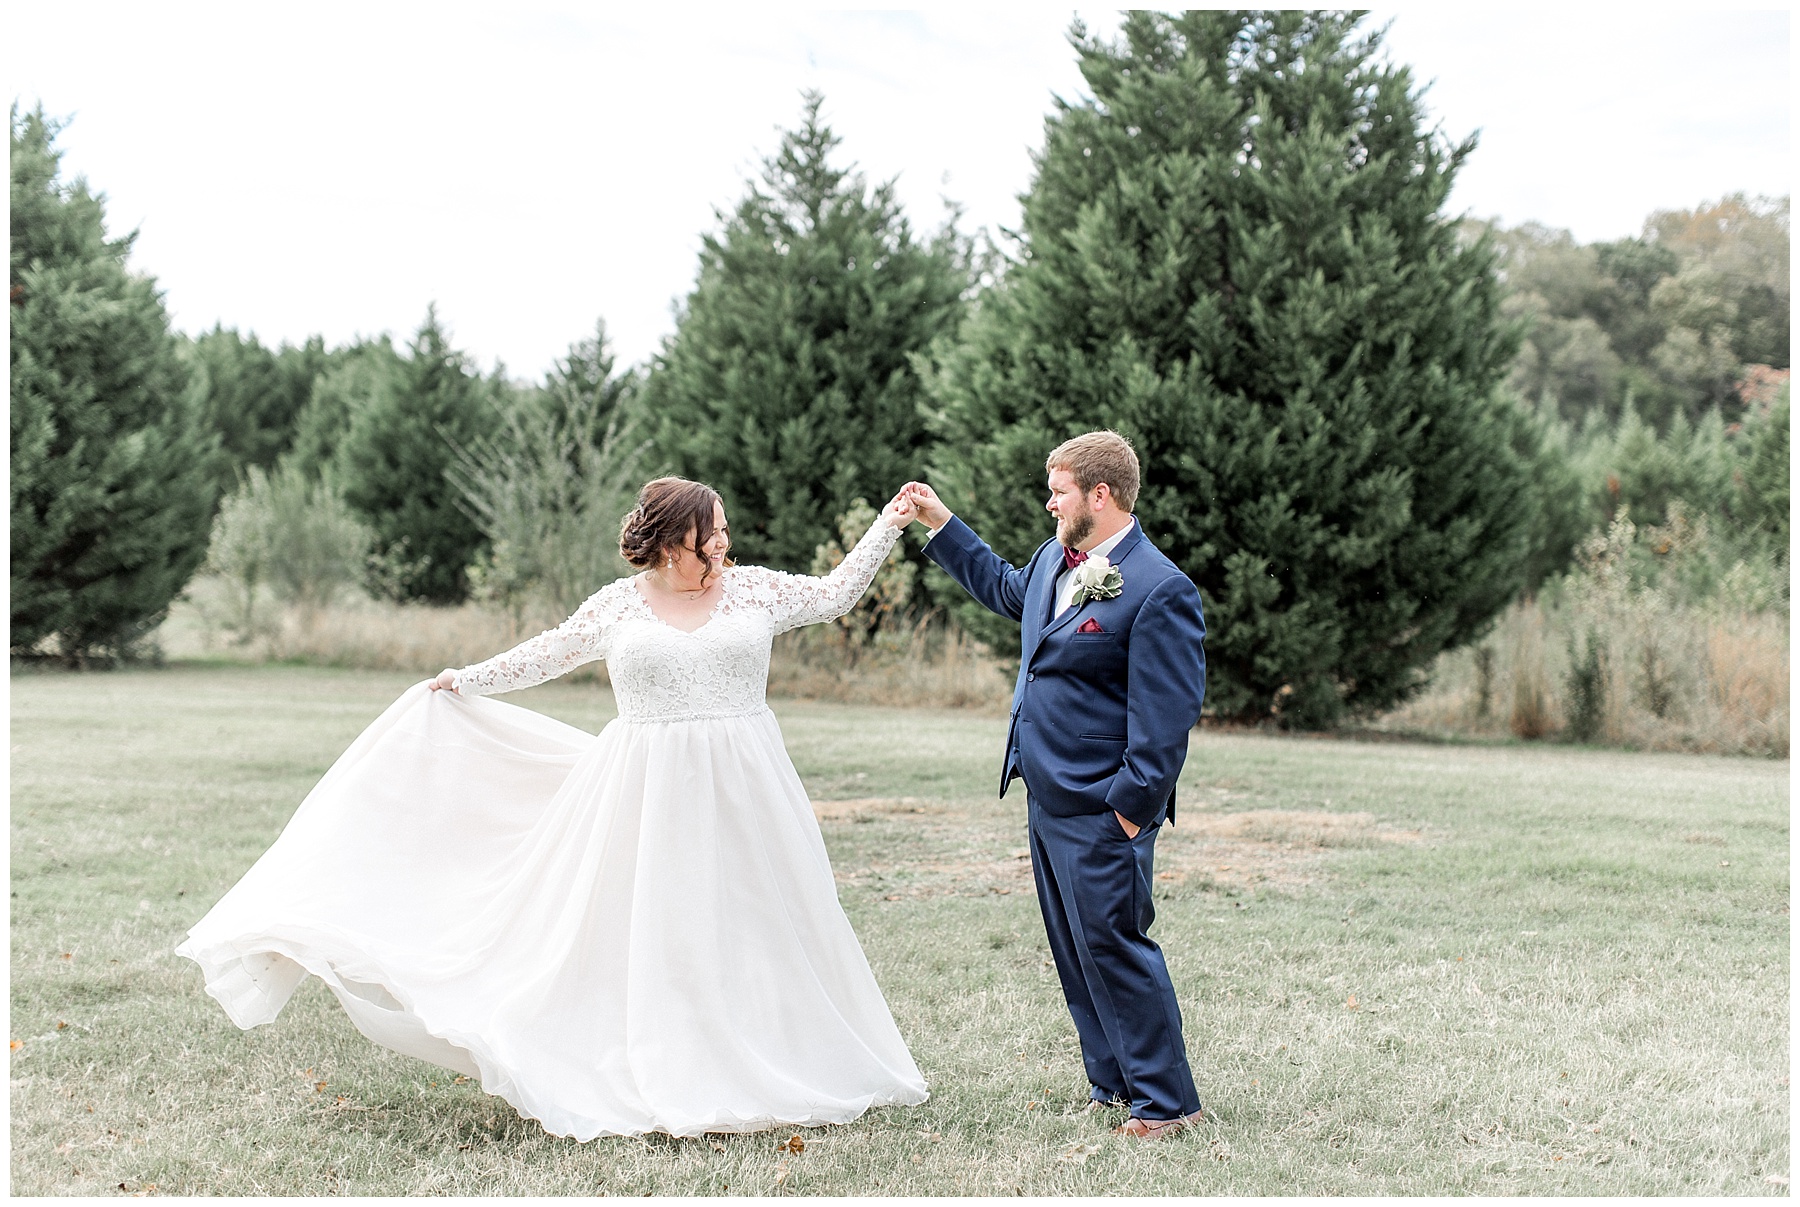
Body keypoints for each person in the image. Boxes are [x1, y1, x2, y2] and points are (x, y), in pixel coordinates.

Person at [177, 477, 929, 1141]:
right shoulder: (618, 606)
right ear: (672, 541)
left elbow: (833, 594)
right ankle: (659, 1054)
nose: (726, 542)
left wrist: (888, 524)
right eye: (713, 532)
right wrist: (465, 680)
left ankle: (772, 1053)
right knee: (651, 927)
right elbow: (548, 652)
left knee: (756, 921)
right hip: (645, 790)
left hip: (748, 786)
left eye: (726, 530)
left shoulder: (753, 589)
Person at [900, 431, 1208, 1140]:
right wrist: (941, 524)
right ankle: (1113, 1082)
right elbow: (1008, 588)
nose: (1049, 501)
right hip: (1046, 795)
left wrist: (1129, 812)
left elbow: (1165, 723)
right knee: (1074, 948)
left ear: (1100, 495)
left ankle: (1167, 1104)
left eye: (1059, 489)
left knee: (1116, 946)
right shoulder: (1051, 560)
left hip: (1104, 806)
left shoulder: (1161, 588)